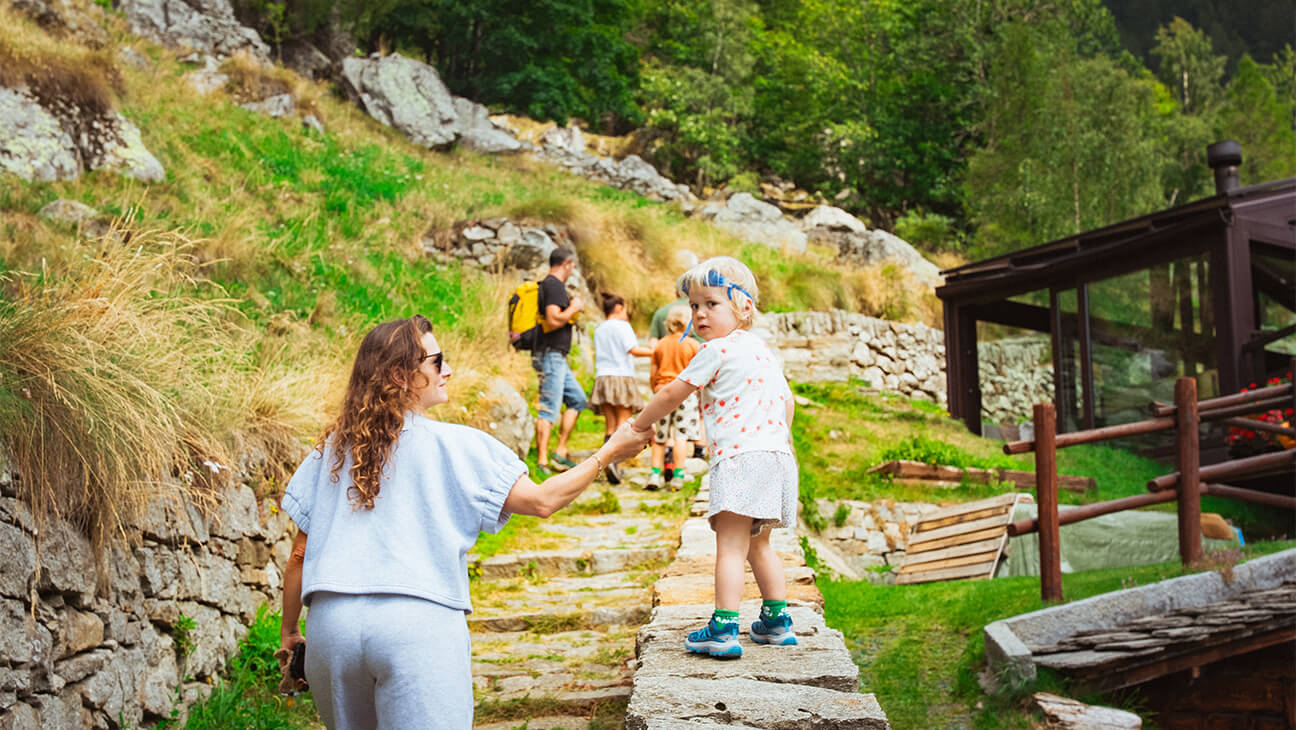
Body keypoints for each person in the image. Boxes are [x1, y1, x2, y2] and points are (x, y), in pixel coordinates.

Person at [277, 315, 649, 729]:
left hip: (333, 626)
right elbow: (543, 501)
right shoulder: (458, 445)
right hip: (419, 623)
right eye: (438, 361)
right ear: (402, 375)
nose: (448, 370)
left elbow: (299, 554)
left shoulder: (332, 450)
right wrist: (608, 453)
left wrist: (290, 632)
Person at [630, 256, 798, 659]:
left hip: (740, 460)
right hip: (777, 457)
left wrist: (639, 426)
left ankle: (724, 628)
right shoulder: (761, 350)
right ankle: (777, 622)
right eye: (694, 306)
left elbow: (673, 393)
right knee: (761, 544)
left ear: (744, 308)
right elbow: (787, 402)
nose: (700, 313)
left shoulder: (716, 350)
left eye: (711, 304)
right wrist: (781, 442)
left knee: (730, 545)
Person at [533, 247, 587, 476]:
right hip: (550, 355)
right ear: (567, 263)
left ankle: (560, 451)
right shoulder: (553, 285)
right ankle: (543, 462)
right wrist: (573, 308)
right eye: (572, 266)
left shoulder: (550, 285)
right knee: (549, 408)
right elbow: (554, 319)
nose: (572, 270)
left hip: (556, 356)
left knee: (577, 399)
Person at [589, 292, 651, 484]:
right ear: (618, 308)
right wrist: (657, 352)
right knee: (623, 425)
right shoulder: (622, 326)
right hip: (621, 376)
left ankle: (604, 463)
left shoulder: (600, 329)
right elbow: (633, 350)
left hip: (603, 377)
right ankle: (614, 462)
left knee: (610, 425)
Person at [646, 304, 701, 490]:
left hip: (662, 393)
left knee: (660, 437)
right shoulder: (693, 345)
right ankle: (678, 475)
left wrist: (655, 387)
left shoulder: (660, 344)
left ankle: (654, 475)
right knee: (681, 436)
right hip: (685, 395)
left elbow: (653, 372)